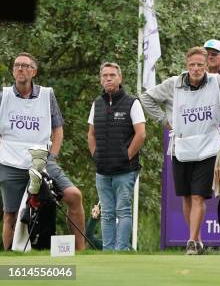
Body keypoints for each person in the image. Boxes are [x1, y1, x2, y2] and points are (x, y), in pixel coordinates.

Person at [140, 47, 220, 255]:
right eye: (192, 65)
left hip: (208, 147)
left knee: (199, 196)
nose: (196, 69)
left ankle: (190, 241)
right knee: (187, 198)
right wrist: (164, 120)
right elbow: (146, 98)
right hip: (181, 147)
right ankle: (197, 241)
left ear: (206, 65)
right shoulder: (174, 84)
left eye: (200, 64)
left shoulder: (216, 81)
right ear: (187, 65)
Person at [0, 52, 85, 250]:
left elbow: (58, 130)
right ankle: (9, 260)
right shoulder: (3, 96)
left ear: (34, 71)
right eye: (17, 65)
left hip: (42, 161)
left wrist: (51, 157)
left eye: (25, 65)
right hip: (10, 164)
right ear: (13, 70)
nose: (20, 68)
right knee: (10, 214)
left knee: (74, 195)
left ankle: (81, 253)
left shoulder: (47, 95)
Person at [87, 62, 146, 250]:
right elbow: (91, 134)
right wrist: (96, 155)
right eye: (104, 75)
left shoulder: (132, 102)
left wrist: (126, 156)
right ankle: (108, 251)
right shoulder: (97, 104)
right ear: (100, 79)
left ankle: (121, 251)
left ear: (120, 78)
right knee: (107, 213)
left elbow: (141, 134)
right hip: (102, 170)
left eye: (112, 75)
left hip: (125, 169)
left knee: (123, 211)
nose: (108, 78)